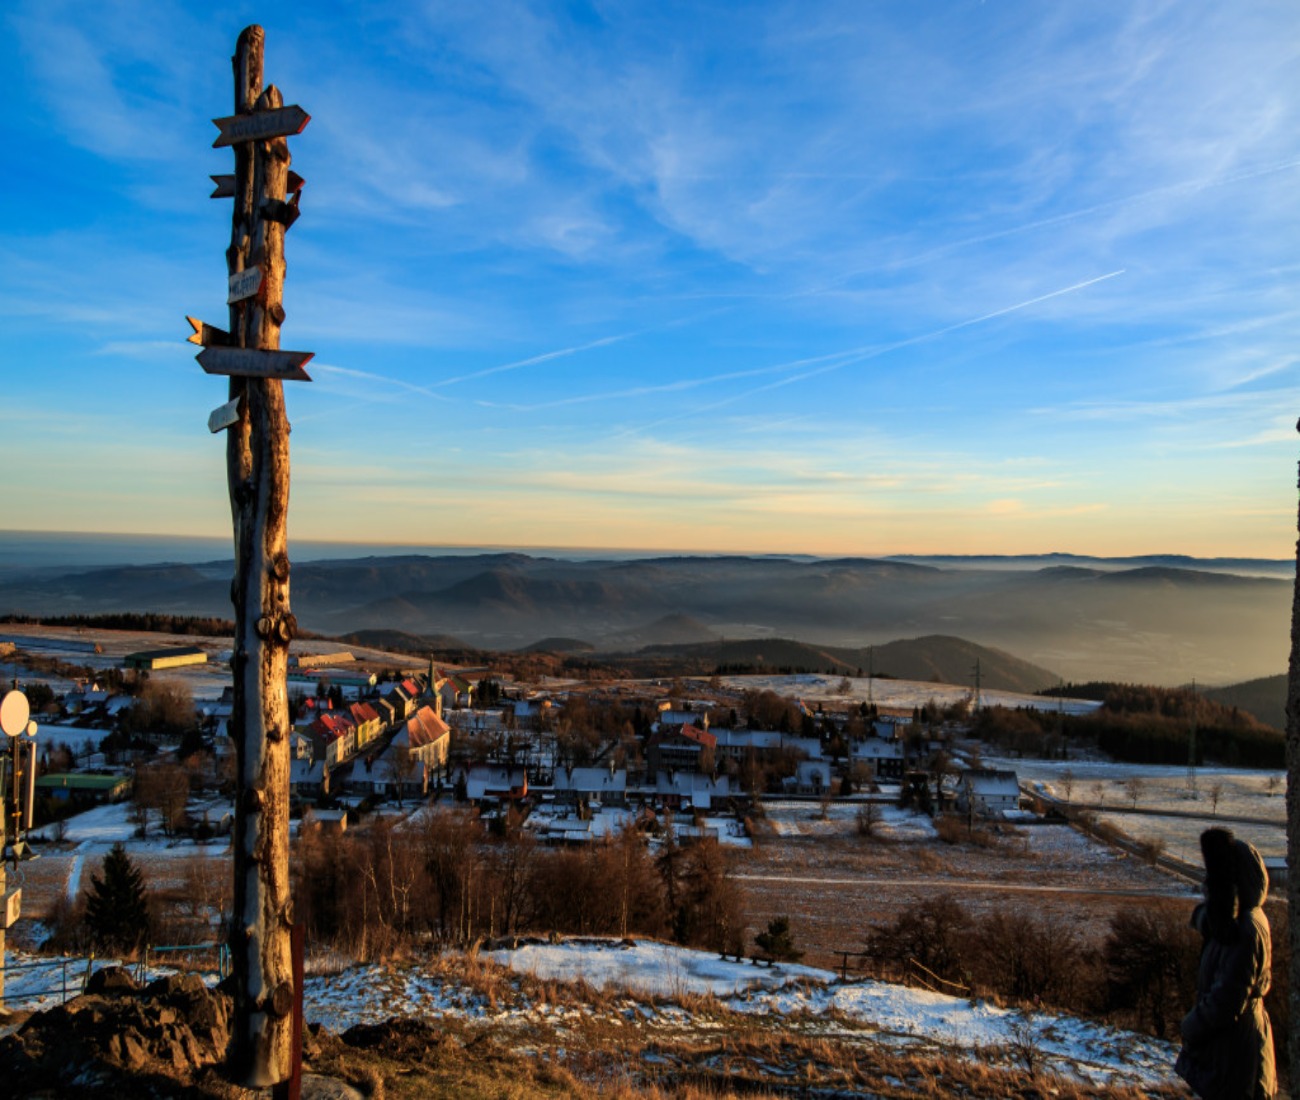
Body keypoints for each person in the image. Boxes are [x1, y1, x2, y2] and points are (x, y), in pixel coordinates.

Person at [1175, 827, 1276, 1100]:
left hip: (1235, 1052)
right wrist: (1208, 917)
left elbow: (1227, 999)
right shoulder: (1237, 922)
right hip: (1231, 1048)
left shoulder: (1246, 928)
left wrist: (1191, 1026)